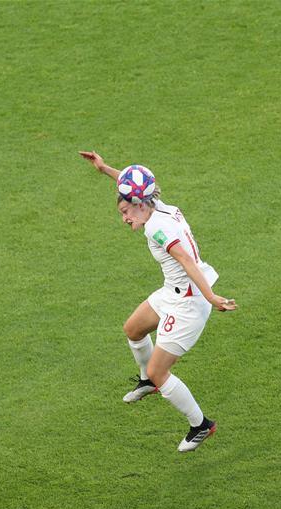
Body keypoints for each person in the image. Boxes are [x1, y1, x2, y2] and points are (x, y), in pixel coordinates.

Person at [79, 151, 237, 452]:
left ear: (139, 205)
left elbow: (186, 261)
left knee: (159, 370)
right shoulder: (159, 207)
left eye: (125, 211)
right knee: (133, 330)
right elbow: (131, 185)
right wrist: (103, 169)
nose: (124, 219)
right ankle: (147, 382)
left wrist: (212, 297)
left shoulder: (157, 228)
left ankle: (200, 425)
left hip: (189, 304)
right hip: (172, 292)